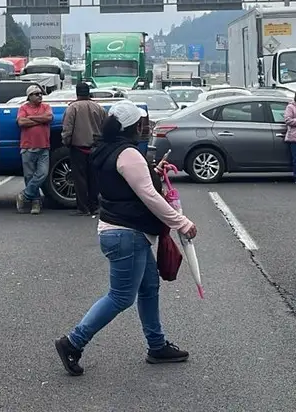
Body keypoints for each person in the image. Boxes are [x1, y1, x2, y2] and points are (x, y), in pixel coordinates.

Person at [54, 101, 196, 376]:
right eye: (143, 123)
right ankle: (73, 342)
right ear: (133, 127)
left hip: (121, 230)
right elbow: (149, 196)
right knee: (121, 297)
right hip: (126, 234)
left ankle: (157, 346)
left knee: (149, 287)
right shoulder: (129, 154)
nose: (146, 127)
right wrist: (182, 223)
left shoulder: (106, 149)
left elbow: (125, 184)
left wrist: (152, 173)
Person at [61, 82, 107, 216]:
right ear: (88, 93)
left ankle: (83, 208)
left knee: (79, 179)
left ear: (77, 93)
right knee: (94, 178)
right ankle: (94, 206)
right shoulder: (99, 108)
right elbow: (105, 127)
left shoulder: (73, 108)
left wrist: (66, 142)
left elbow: (67, 128)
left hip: (78, 148)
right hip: (95, 148)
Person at [16, 85, 54, 215]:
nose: (40, 96)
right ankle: (35, 202)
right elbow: (21, 122)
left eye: (40, 93)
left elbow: (48, 118)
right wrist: (39, 121)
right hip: (27, 147)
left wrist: (31, 118)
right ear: (30, 96)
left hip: (44, 147)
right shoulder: (23, 108)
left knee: (42, 173)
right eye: (36, 94)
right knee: (29, 176)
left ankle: (24, 194)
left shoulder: (46, 107)